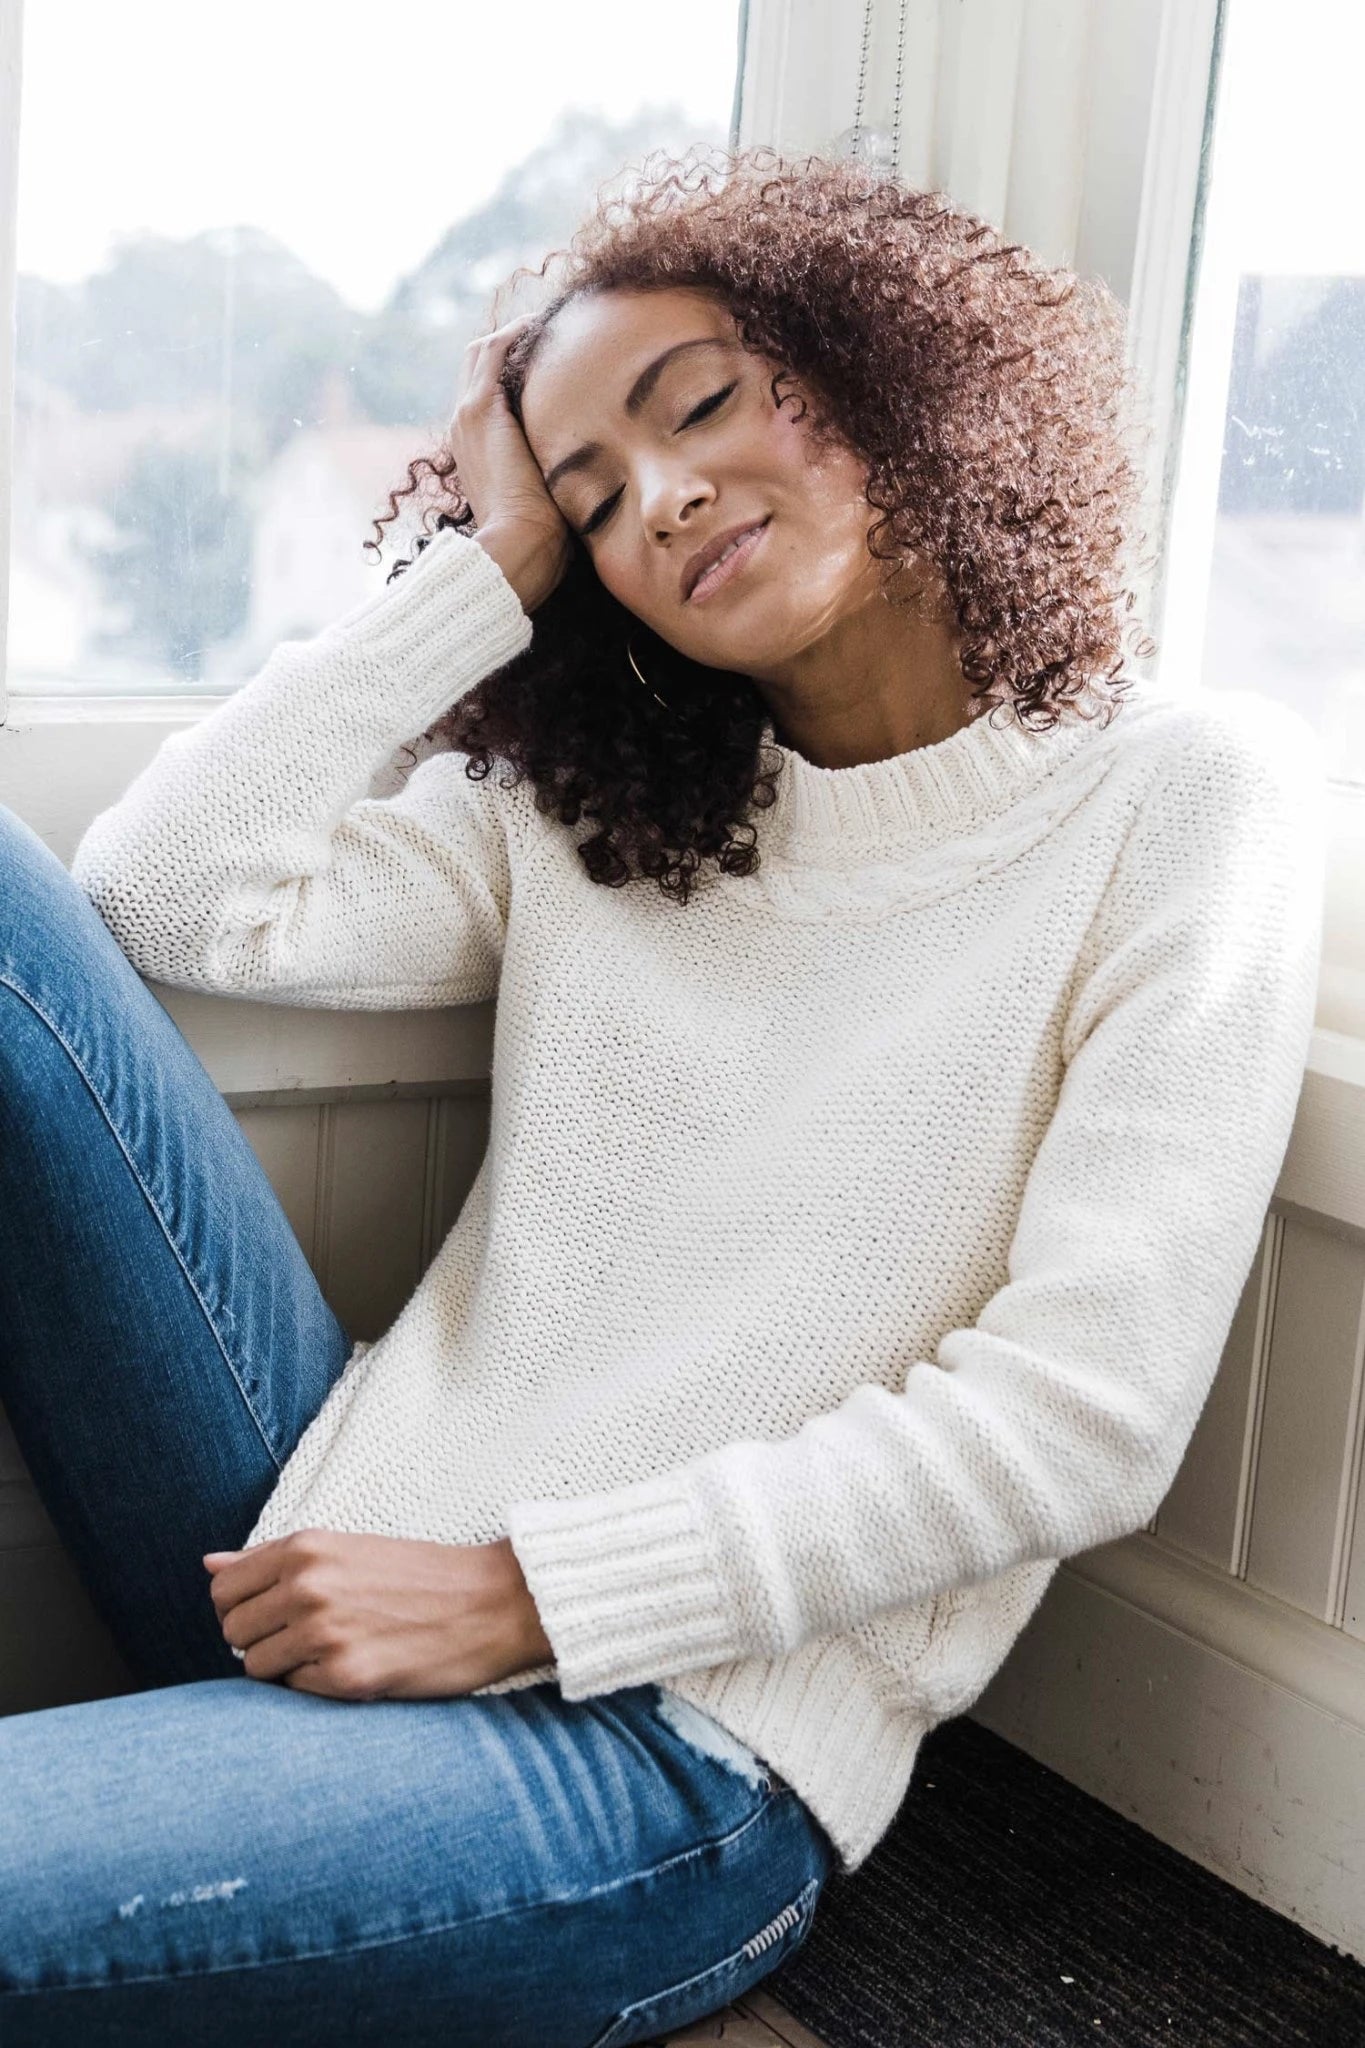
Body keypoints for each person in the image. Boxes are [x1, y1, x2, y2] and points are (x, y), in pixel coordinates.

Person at [0, 147, 1326, 2045]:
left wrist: (524, 1600)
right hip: (317, 1548)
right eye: (594, 498)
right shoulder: (616, 804)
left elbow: (1080, 1417)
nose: (665, 494)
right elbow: (170, 890)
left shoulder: (1183, 797)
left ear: (879, 372)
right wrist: (486, 574)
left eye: (697, 404)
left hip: (659, 1751)